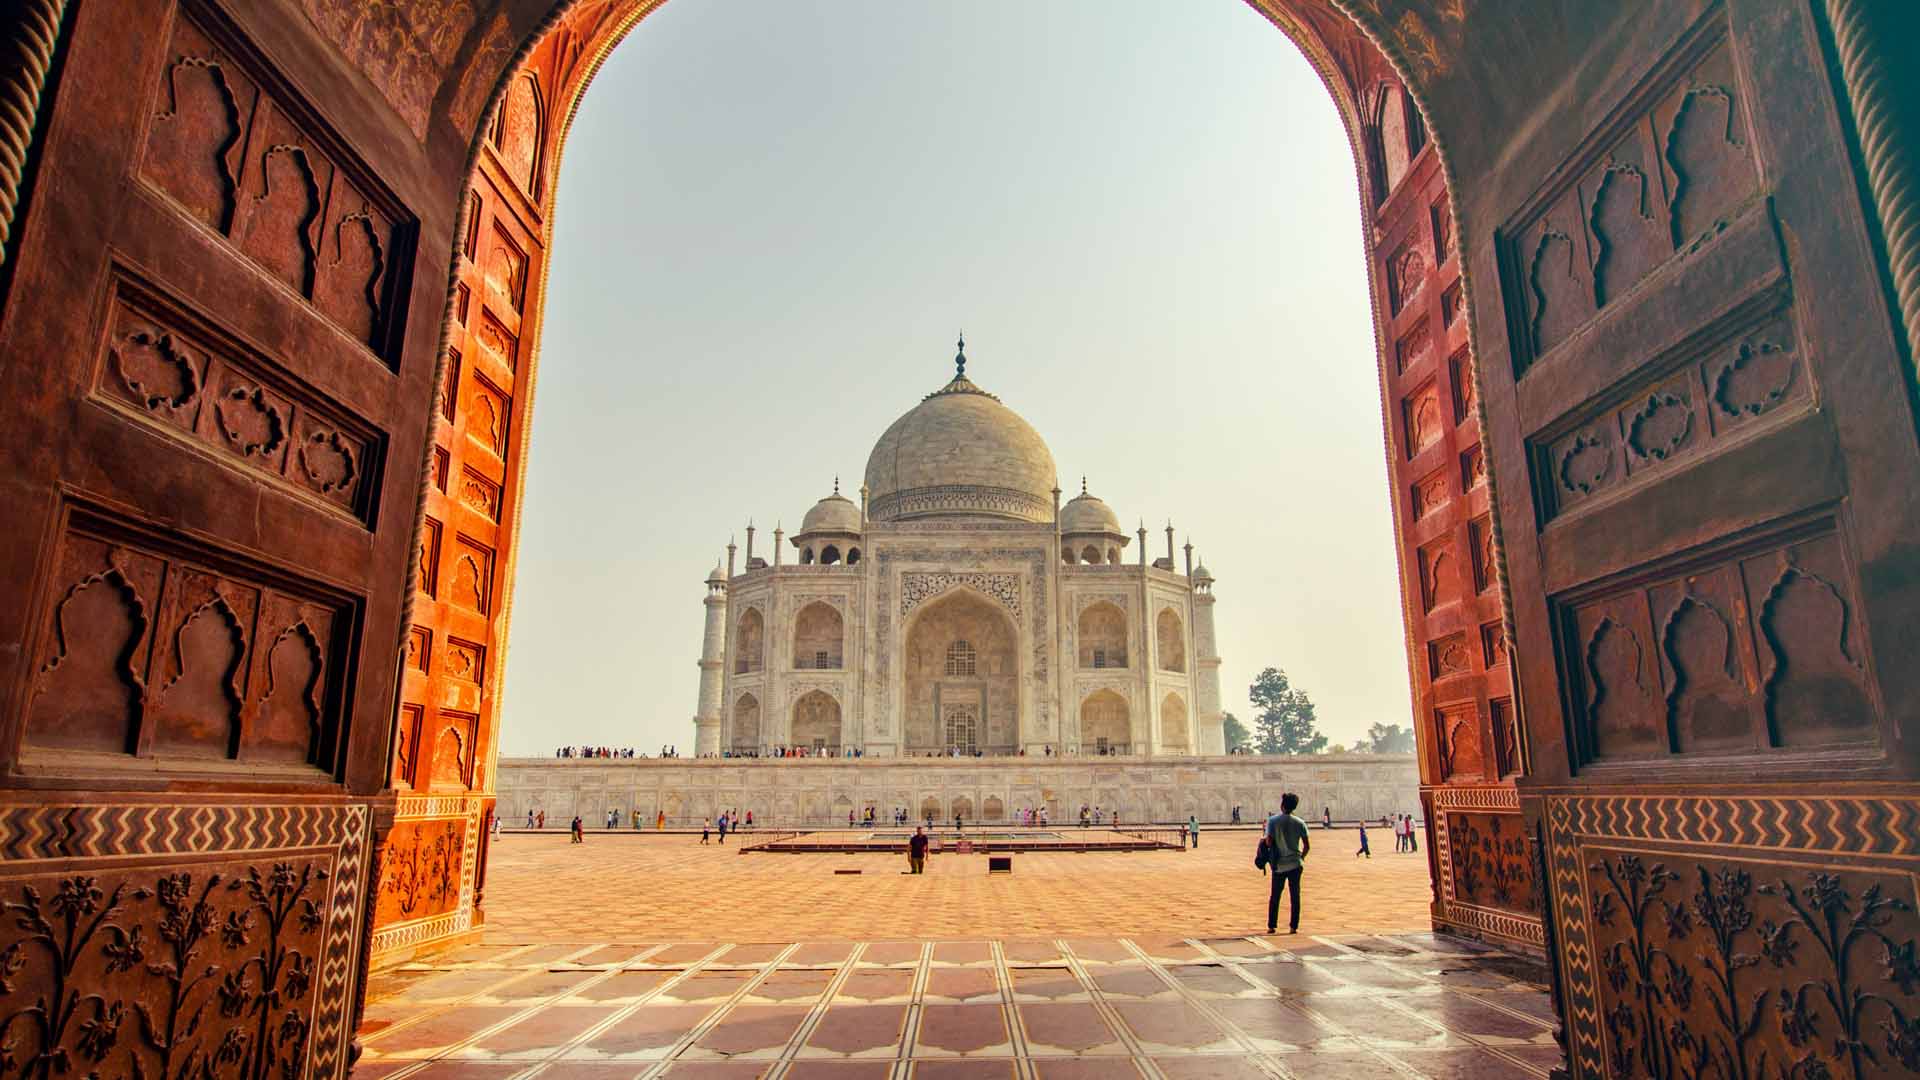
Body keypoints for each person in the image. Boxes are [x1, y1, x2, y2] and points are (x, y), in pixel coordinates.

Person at [1264, 792, 1310, 934]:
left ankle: (1272, 925)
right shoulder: (1300, 823)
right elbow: (1307, 846)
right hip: (1296, 864)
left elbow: (1269, 842)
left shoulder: (1273, 821)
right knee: (1295, 896)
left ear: (1282, 805)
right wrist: (1301, 858)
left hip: (1279, 865)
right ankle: (1293, 926)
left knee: (1275, 896)